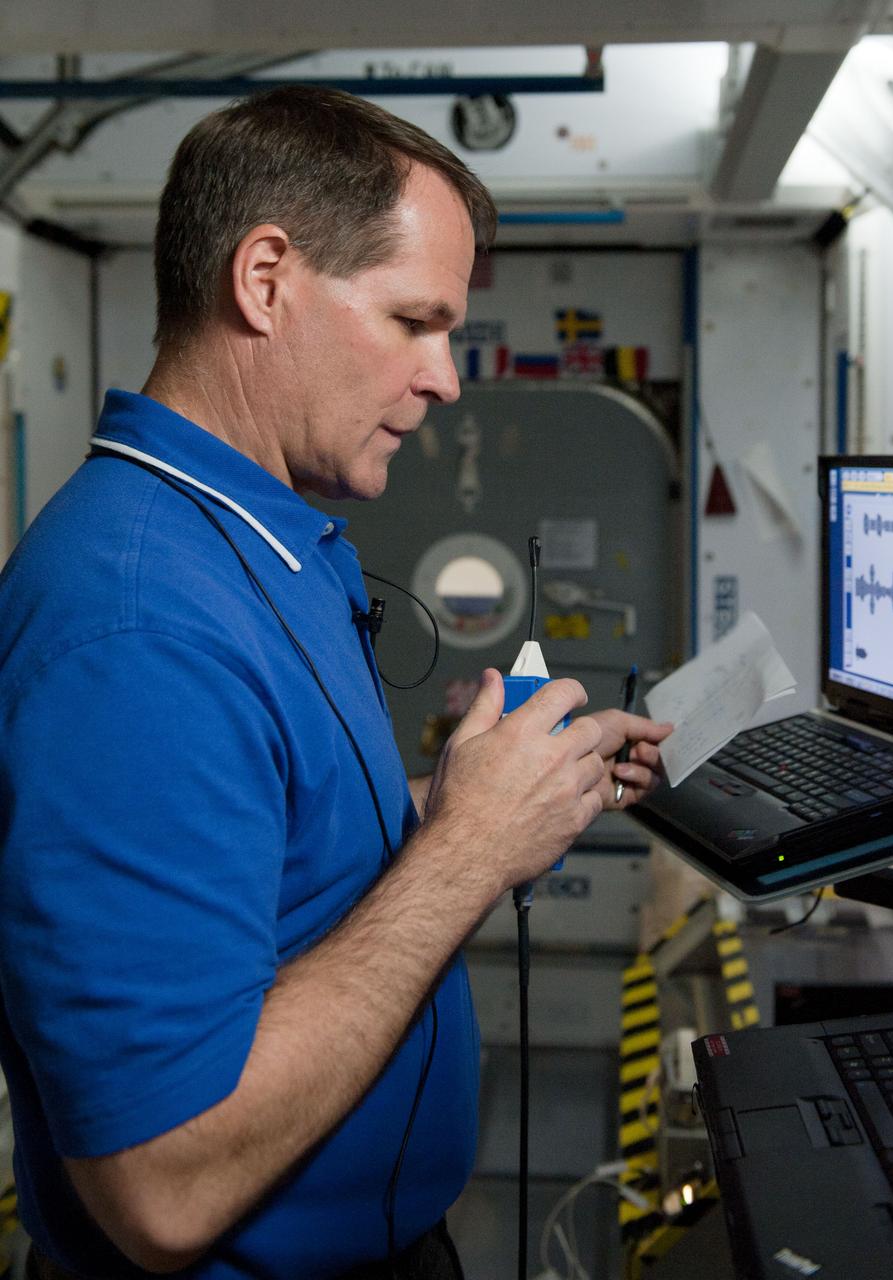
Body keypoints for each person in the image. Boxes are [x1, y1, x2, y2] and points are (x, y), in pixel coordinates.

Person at [0, 87, 671, 1280]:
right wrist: (468, 850)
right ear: (265, 280)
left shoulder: (263, 539)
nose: (448, 377)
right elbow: (163, 1177)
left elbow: (277, 866)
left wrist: (495, 792)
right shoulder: (138, 624)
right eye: (415, 320)